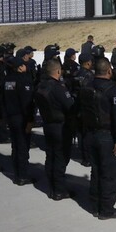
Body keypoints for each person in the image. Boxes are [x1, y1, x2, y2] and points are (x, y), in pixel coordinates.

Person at [84, 58, 116, 219]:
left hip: (90, 135)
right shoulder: (113, 90)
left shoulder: (87, 86)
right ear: (109, 71)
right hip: (107, 137)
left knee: (96, 171)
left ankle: (95, 205)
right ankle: (107, 209)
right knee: (110, 174)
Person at [33, 59, 75, 200]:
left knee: (51, 156)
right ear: (58, 71)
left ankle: (52, 186)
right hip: (60, 127)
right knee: (60, 158)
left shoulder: (41, 85)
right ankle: (59, 190)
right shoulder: (58, 87)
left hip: (48, 125)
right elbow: (70, 105)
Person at [3, 56, 35, 185]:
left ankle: (17, 173)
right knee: (22, 147)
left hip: (11, 116)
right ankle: (22, 176)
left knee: (15, 146)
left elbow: (3, 99)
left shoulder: (6, 80)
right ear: (20, 67)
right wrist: (30, 120)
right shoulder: (24, 80)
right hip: (21, 117)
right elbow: (27, 102)